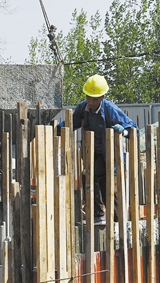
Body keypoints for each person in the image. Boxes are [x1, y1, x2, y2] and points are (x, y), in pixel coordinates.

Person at [57, 74, 137, 225]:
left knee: (89, 176)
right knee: (104, 185)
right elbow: (70, 124)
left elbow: (134, 128)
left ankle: (99, 215)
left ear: (102, 97)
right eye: (88, 97)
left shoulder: (110, 110)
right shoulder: (83, 108)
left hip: (110, 154)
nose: (91, 101)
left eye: (94, 99)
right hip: (92, 153)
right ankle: (118, 219)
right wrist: (54, 129)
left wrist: (124, 131)